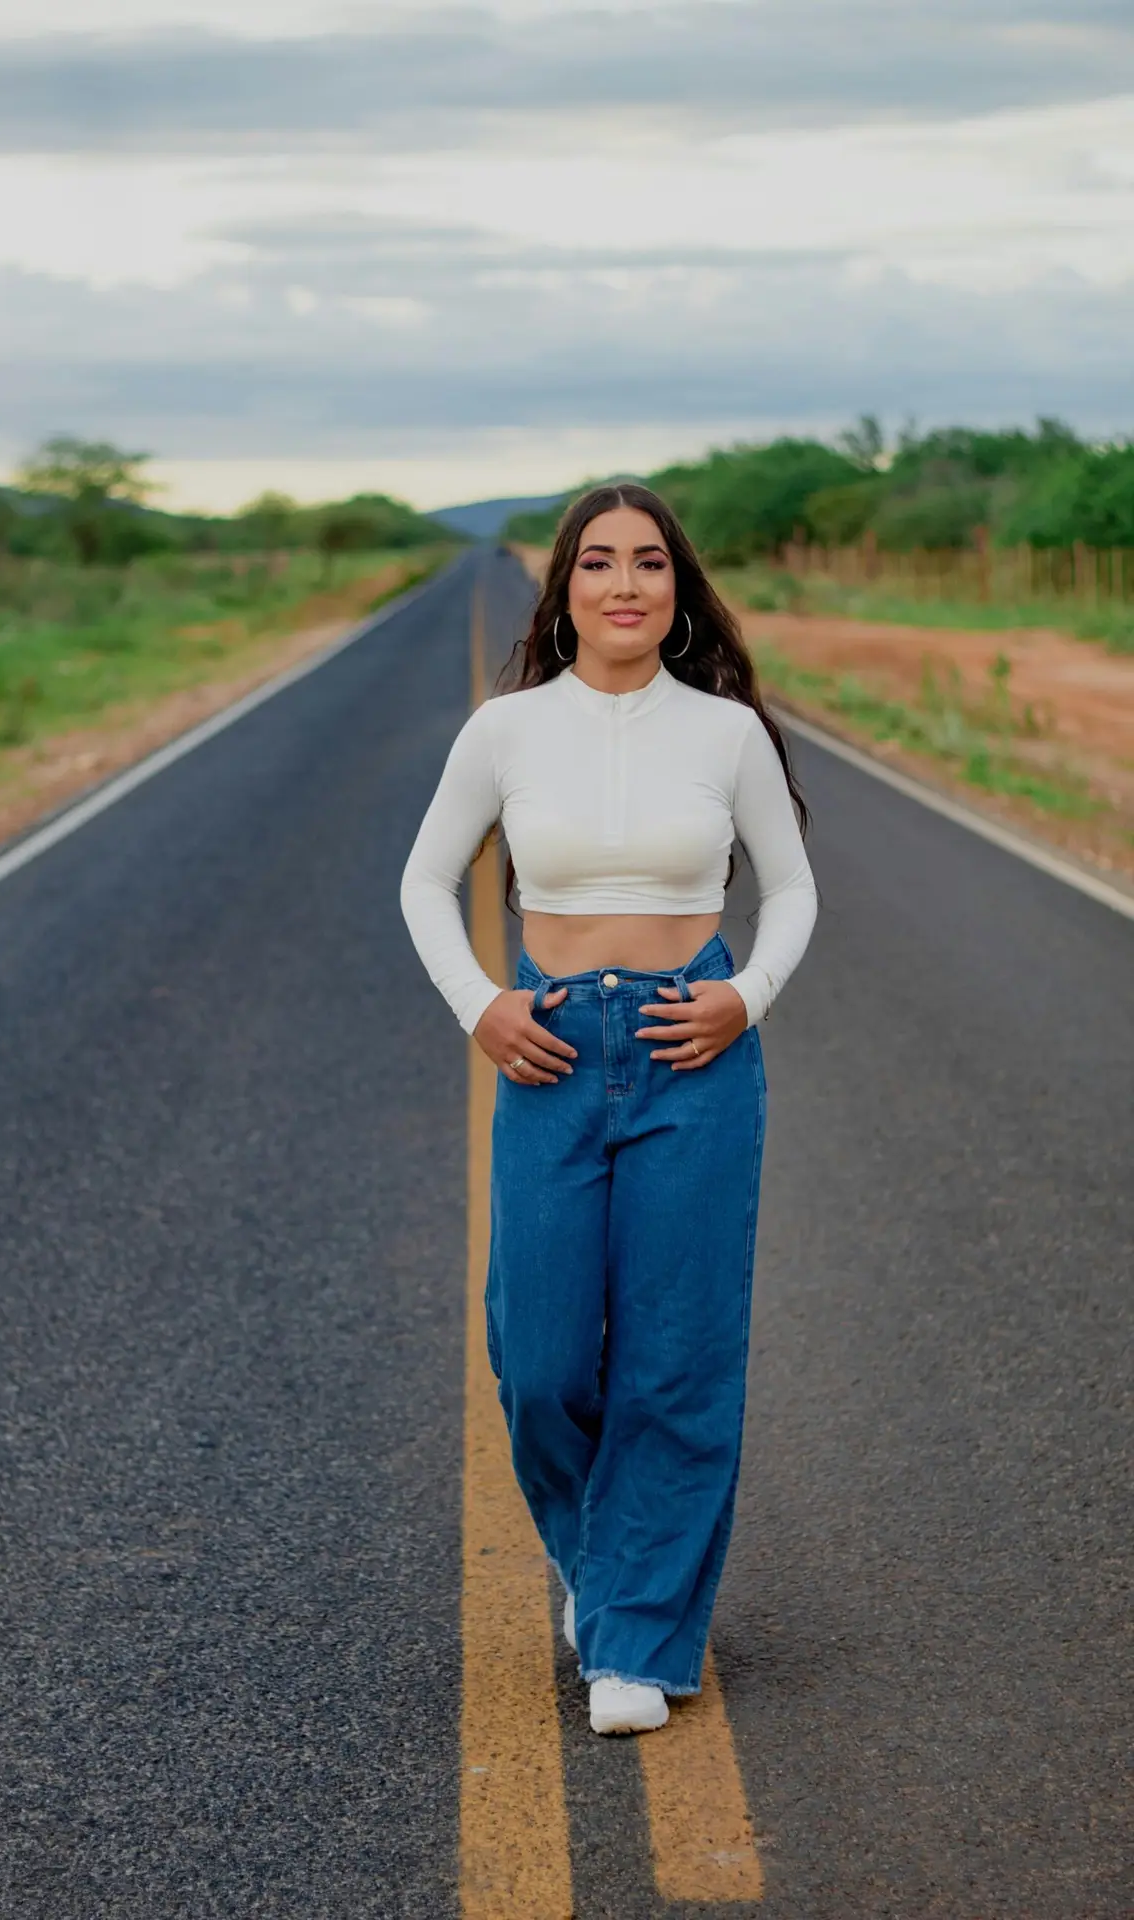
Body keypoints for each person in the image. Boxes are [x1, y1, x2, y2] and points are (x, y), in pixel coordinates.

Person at [400, 483, 817, 1736]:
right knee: (535, 1361)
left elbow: (790, 893)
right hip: (551, 1051)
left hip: (691, 1047)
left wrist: (743, 997)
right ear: (565, 588)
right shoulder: (505, 730)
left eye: (647, 563)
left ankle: (633, 1633)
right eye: (598, 563)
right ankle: (607, 1563)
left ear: (676, 588)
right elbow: (425, 885)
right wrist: (481, 1004)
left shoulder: (727, 733)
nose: (624, 584)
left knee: (674, 1360)